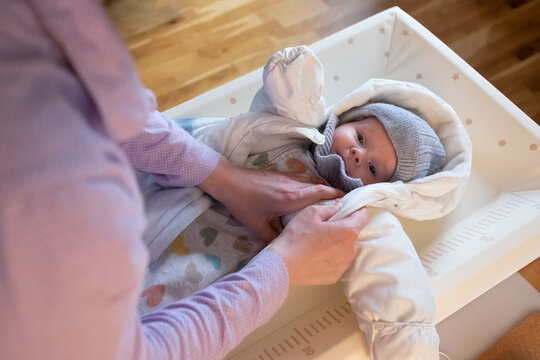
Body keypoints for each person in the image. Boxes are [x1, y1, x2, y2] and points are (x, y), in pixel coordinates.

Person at [0, 2, 369, 360]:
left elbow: (118, 106)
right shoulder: (54, 203)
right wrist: (283, 268)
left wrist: (223, 176)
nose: (358, 157)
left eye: (374, 169)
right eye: (362, 139)